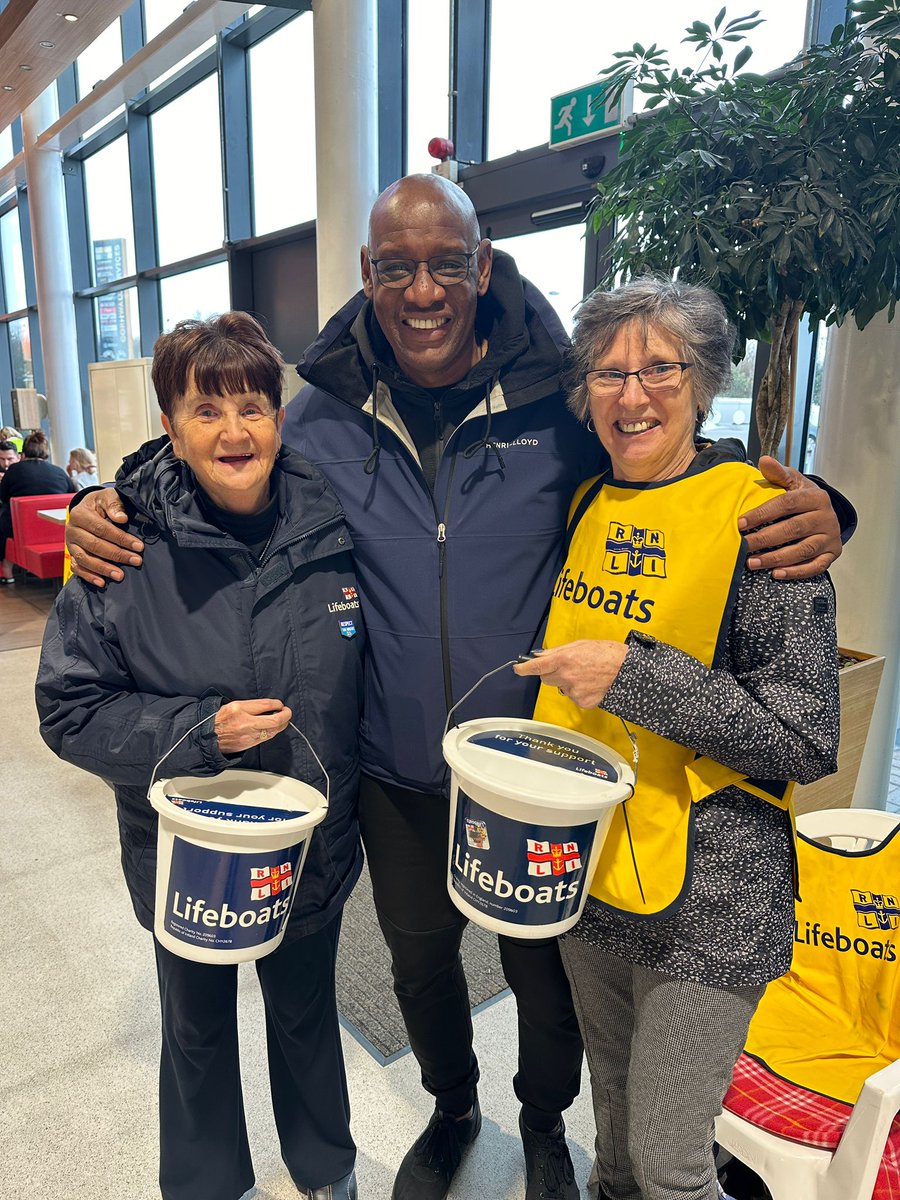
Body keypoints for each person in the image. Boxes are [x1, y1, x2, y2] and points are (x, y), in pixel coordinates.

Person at [62, 175, 852, 1200]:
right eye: (398, 266)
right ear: (369, 277)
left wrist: (829, 504)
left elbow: (673, 465)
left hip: (533, 767)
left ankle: (536, 1121)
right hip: (393, 764)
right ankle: (452, 1108)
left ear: (482, 267)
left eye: (447, 263)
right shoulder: (321, 420)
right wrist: (98, 498)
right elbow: (210, 454)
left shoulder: (556, 408)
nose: (424, 288)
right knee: (422, 966)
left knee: (543, 976)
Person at [514, 276, 841, 1200]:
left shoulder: (762, 518)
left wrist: (637, 677)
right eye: (608, 374)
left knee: (670, 1166)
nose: (631, 395)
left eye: (659, 368)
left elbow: (804, 737)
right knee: (612, 1133)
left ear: (702, 382)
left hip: (712, 901)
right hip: (592, 872)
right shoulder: (586, 508)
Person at [36, 313, 364, 1200]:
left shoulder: (336, 527)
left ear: (280, 418)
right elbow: (67, 708)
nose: (234, 431)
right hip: (188, 854)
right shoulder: (120, 551)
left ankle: (327, 1170)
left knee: (306, 1018)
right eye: (206, 408)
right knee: (197, 1029)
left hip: (309, 847)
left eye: (253, 406)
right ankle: (207, 1183)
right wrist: (199, 733)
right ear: (170, 426)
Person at [0, 429, 74, 583]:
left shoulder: (14, 470)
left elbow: (3, 496)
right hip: (58, 530)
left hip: (22, 528)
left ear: (23, 454)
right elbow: (72, 493)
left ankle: (7, 571)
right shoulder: (58, 471)